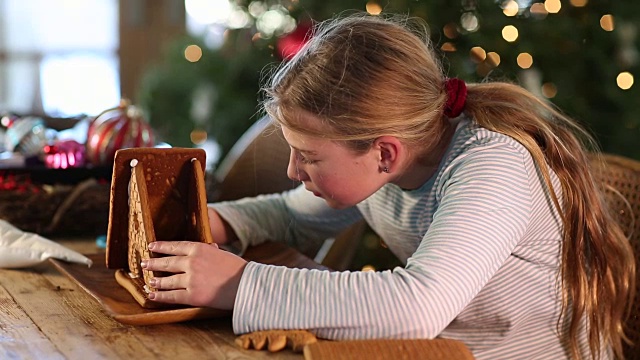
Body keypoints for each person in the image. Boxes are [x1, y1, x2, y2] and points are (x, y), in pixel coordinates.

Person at [140, 13, 635, 359]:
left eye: (309, 156)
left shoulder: (493, 168)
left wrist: (234, 282)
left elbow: (415, 307)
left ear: (383, 152)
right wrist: (216, 222)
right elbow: (292, 214)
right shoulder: (394, 163)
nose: (293, 170)